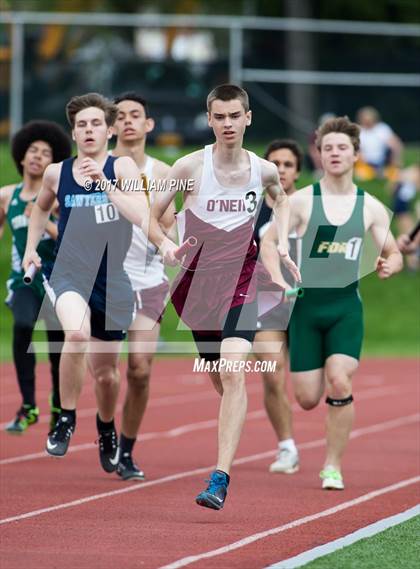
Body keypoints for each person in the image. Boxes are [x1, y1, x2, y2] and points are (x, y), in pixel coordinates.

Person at [149, 84, 300, 510]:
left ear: (248, 118)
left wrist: (280, 241)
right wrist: (165, 243)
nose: (229, 124)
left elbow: (281, 199)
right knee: (220, 378)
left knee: (233, 373)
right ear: (210, 119)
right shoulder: (189, 166)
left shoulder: (263, 169)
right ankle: (234, 417)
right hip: (197, 287)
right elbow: (151, 214)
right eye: (221, 117)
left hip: (243, 280)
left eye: (236, 116)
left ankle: (219, 479)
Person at [261, 116, 403, 490]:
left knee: (339, 380)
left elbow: (392, 252)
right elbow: (268, 242)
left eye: (342, 148)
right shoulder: (303, 201)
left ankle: (332, 467)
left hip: (345, 310)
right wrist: (276, 276)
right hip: (305, 311)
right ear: (318, 155)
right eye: (328, 148)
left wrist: (390, 263)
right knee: (307, 398)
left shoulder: (370, 206)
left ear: (356, 154)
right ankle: (318, 383)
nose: (335, 153)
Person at [22, 93, 148, 470]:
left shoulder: (122, 168)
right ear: (73, 132)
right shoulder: (57, 173)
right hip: (68, 273)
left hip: (111, 280)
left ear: (109, 130)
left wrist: (106, 185)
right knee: (75, 335)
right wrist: (31, 247)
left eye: (96, 124)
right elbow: (41, 207)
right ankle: (65, 417)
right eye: (81, 124)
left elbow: (140, 213)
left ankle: (106, 427)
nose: (88, 130)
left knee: (108, 375)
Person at [112, 92, 175, 481]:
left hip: (149, 281)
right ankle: (98, 428)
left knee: (139, 369)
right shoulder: (95, 169)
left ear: (149, 125)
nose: (129, 121)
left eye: (136, 115)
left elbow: (170, 222)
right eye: (120, 116)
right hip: (104, 280)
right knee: (102, 370)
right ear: (111, 125)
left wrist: (170, 233)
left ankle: (126, 448)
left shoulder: (165, 172)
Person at [0, 121, 71, 433]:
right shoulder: (6, 196)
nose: (37, 157)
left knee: (58, 346)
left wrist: (46, 223)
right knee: (23, 326)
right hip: (23, 281)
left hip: (55, 280)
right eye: (33, 151)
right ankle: (29, 405)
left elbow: (71, 239)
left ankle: (58, 404)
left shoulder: (56, 199)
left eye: (45, 153)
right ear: (21, 156)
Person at [253, 139, 303, 474]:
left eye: (287, 164)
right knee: (272, 376)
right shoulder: (251, 209)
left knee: (312, 386)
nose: (281, 170)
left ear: (297, 170)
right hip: (266, 302)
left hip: (307, 303)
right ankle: (287, 446)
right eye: (275, 164)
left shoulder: (311, 206)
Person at [355, 106, 403, 182]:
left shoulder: (382, 129)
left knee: (394, 174)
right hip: (365, 162)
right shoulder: (358, 131)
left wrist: (396, 160)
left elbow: (396, 144)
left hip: (382, 161)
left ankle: (382, 172)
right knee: (363, 174)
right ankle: (376, 173)